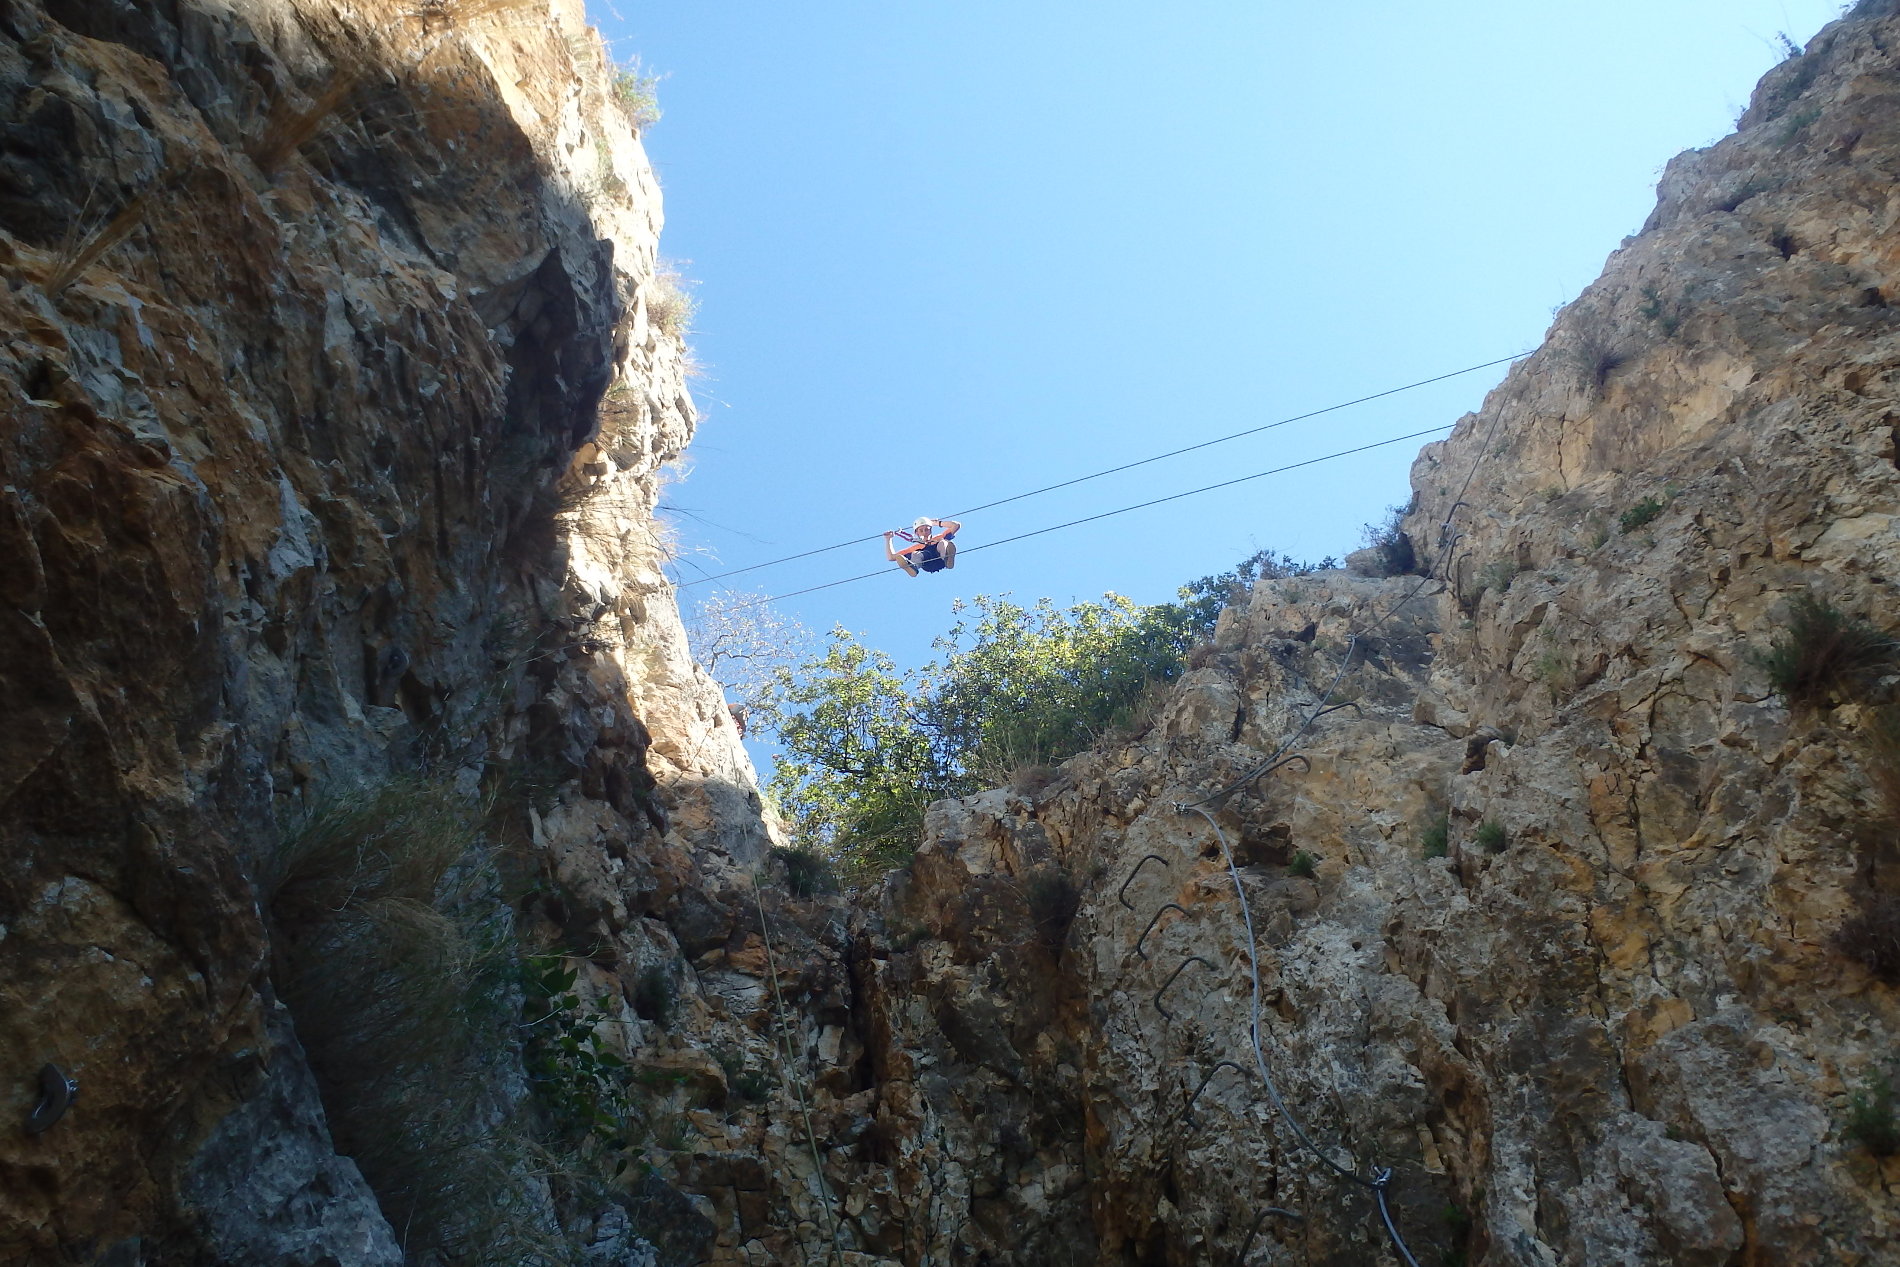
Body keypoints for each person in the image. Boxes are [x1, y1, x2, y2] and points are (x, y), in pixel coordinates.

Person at [885, 516, 961, 576]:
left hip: (941, 559)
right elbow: (891, 557)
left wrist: (936, 523)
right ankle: (912, 567)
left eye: (926, 529)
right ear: (917, 533)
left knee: (943, 542)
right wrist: (888, 539)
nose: (924, 532)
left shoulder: (938, 538)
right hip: (928, 564)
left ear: (930, 530)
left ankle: (948, 559)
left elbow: (956, 525)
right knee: (915, 553)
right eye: (921, 530)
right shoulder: (916, 547)